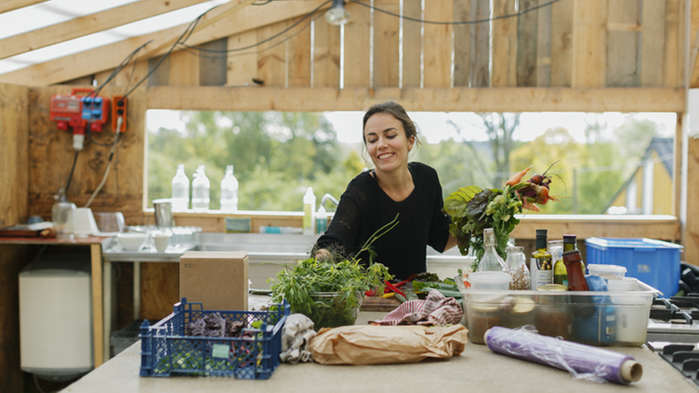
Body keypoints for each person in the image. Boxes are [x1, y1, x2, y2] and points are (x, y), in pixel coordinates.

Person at [314, 101, 458, 280]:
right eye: (372, 140)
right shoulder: (360, 190)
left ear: (410, 141)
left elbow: (441, 238)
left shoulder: (427, 179)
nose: (381, 145)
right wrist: (317, 264)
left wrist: (483, 219)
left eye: (390, 136)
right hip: (370, 301)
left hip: (414, 299)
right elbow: (333, 243)